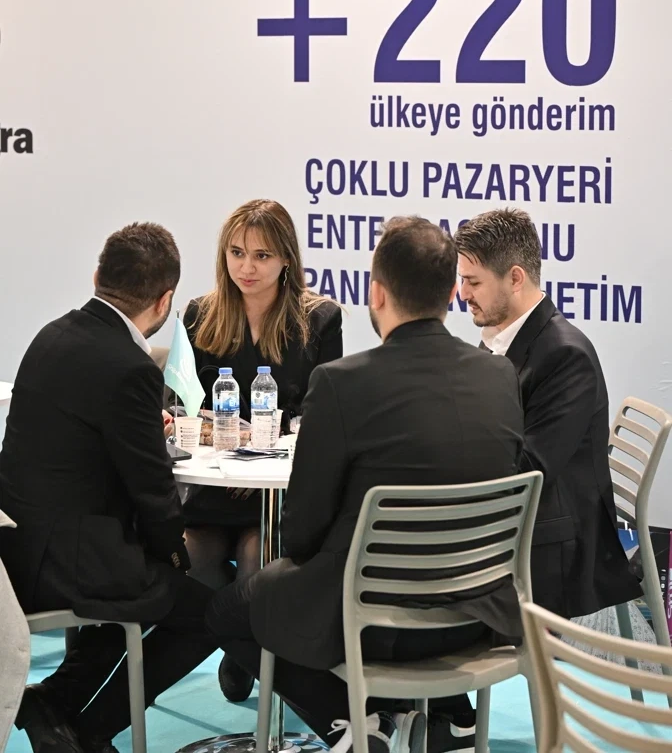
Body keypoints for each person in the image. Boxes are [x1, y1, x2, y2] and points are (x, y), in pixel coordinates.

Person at [205, 216, 525, 753]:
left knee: (224, 613)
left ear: (376, 293)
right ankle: (396, 721)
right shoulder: (500, 375)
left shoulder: (340, 384)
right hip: (476, 617)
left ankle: (354, 720)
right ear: (451, 294)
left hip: (367, 621)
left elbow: (300, 534)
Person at [0, 223, 216, 753]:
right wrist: (177, 557)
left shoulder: (51, 335)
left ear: (97, 275)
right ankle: (91, 730)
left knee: (142, 581)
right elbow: (154, 493)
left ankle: (54, 701)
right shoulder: (131, 368)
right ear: (165, 301)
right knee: (210, 613)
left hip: (17, 552)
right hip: (70, 563)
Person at [182, 198, 343, 700]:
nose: (246, 268)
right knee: (194, 558)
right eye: (236, 253)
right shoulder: (200, 314)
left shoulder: (320, 319)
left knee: (256, 557)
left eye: (261, 255)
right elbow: (183, 407)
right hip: (214, 484)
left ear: (286, 258)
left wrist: (260, 456)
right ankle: (237, 644)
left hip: (277, 490)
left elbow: (323, 418)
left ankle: (242, 653)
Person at [454, 208, 641, 619]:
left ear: (515, 278)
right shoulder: (503, 337)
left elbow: (530, 471)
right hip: (525, 521)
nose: (462, 293)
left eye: (473, 282)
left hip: (557, 546)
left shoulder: (566, 357)